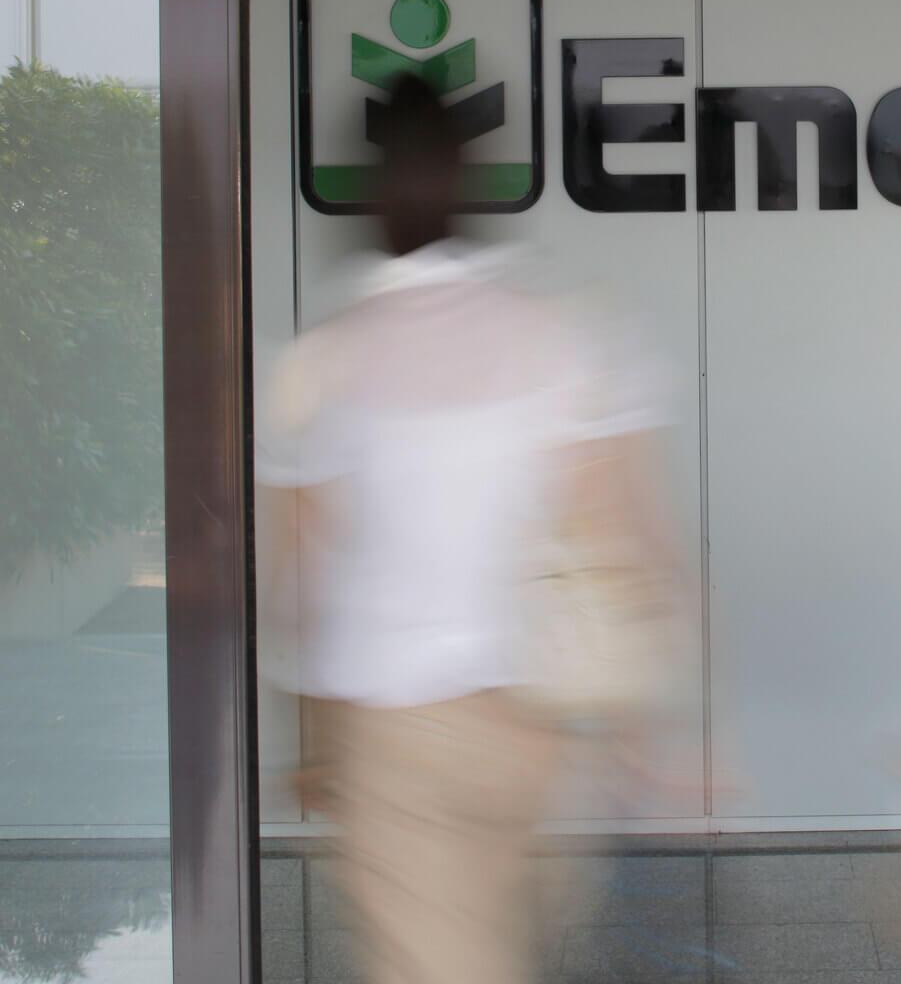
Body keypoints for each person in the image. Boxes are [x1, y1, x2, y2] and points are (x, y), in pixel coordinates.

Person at [256, 75, 679, 984]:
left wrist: (311, 741)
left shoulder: (325, 358)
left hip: (395, 736)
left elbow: (300, 580)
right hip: (533, 733)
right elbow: (626, 541)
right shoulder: (559, 336)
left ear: (373, 193)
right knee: (494, 948)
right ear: (470, 184)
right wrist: (641, 728)